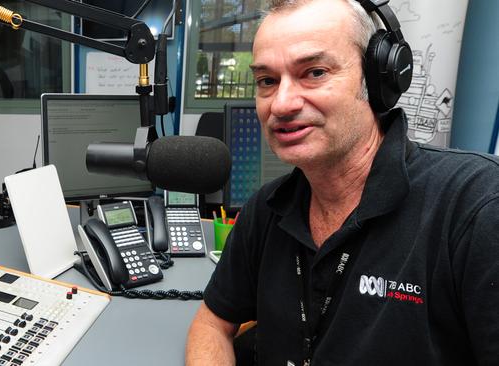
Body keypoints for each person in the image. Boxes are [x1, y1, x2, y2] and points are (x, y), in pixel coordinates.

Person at [186, 0, 499, 365]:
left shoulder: (477, 208)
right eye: (267, 81)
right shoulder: (266, 209)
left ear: (377, 79)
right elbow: (211, 323)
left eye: (315, 72)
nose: (282, 104)